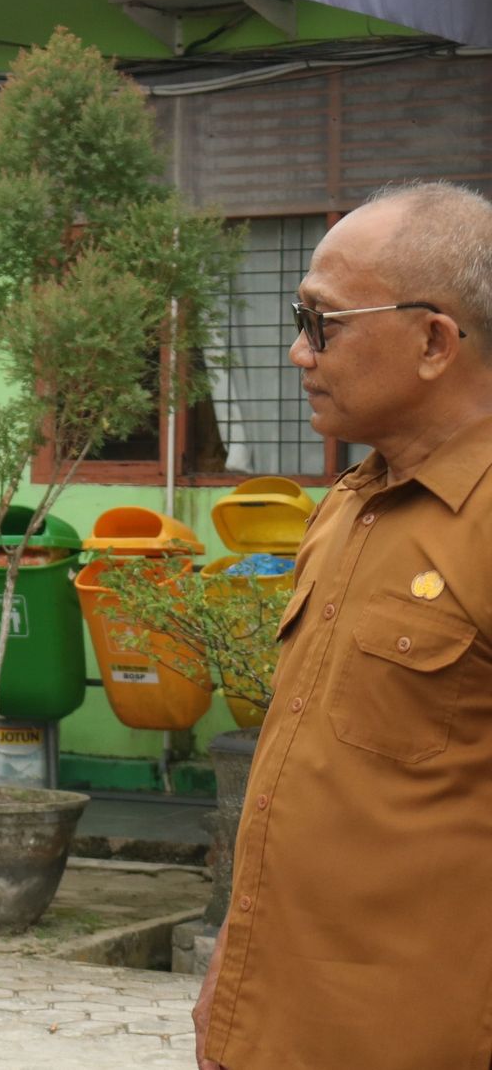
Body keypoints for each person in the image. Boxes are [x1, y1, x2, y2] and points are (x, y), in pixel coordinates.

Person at [192, 182, 492, 1070]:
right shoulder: (350, 505)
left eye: (321, 323)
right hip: (272, 1021)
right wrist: (231, 973)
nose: (298, 352)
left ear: (434, 341)